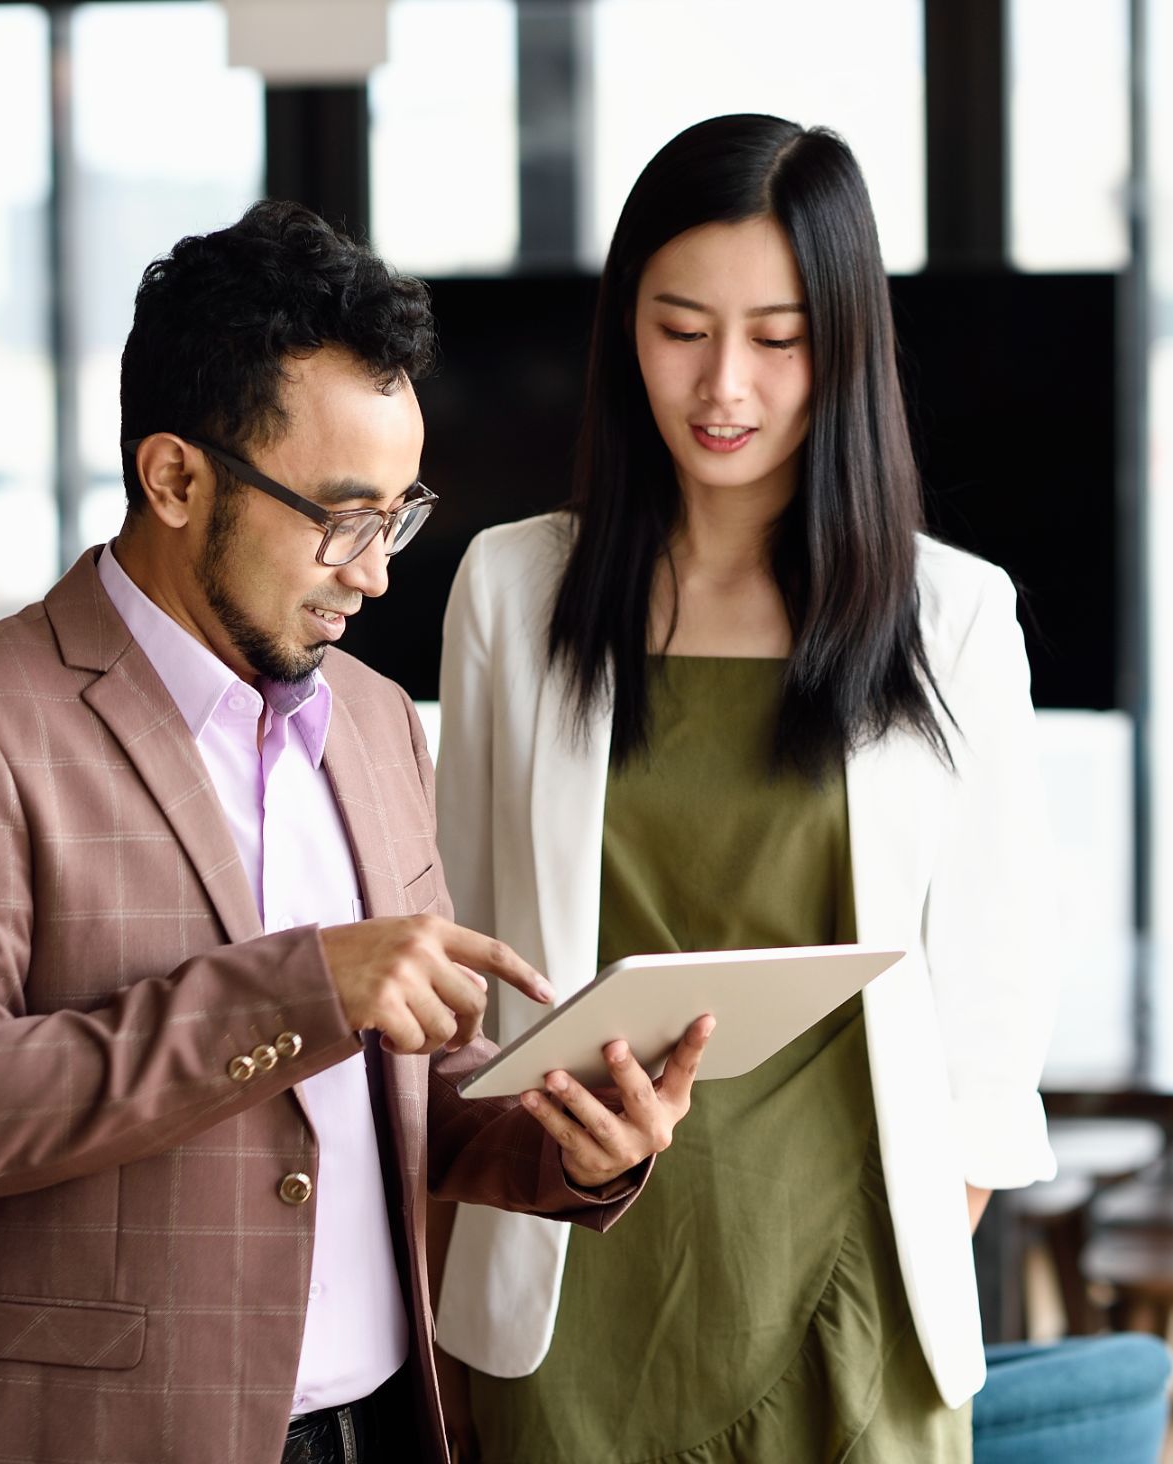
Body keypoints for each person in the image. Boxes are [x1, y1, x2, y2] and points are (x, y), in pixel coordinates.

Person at [0, 201, 712, 1464]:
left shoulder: (374, 718)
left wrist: (572, 1145)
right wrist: (301, 988)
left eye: (398, 516)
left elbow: (410, 1086)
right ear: (175, 477)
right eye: (343, 519)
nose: (377, 571)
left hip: (376, 1430)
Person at [431, 115, 1059, 1462]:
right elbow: (468, 974)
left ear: (846, 347)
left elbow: (993, 1012)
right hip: (568, 1284)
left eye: (780, 338)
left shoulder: (952, 615)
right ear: (622, 333)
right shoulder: (512, 590)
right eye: (681, 327)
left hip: (852, 1286)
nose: (727, 384)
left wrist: (896, 1244)